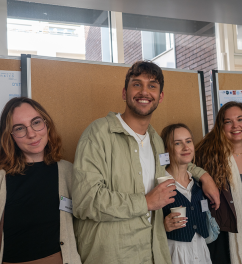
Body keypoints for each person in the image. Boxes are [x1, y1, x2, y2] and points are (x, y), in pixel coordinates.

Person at [71, 60, 219, 264]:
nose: (144, 91)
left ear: (160, 96)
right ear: (125, 93)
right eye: (136, 84)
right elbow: (85, 201)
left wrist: (203, 175)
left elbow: (174, 163)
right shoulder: (98, 134)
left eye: (152, 86)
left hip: (153, 253)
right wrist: (146, 202)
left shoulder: (157, 142)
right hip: (114, 256)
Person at [0, 97, 81, 264]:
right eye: (19, 128)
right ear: (10, 135)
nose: (31, 134)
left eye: (36, 122)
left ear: (46, 124)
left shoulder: (68, 172)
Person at [195, 101, 242, 264]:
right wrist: (204, 176)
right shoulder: (208, 154)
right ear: (220, 127)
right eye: (228, 121)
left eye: (240, 119)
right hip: (223, 231)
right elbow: (181, 163)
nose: (235, 125)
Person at [161, 123, 212, 264]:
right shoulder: (159, 184)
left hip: (201, 252)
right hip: (174, 254)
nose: (186, 147)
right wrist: (162, 226)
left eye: (188, 141)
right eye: (178, 143)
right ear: (166, 150)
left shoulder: (199, 183)